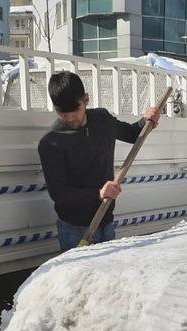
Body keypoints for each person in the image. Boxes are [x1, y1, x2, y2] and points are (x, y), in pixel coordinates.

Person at [38, 71, 161, 251]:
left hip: (107, 222)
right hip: (75, 230)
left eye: (75, 111)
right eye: (63, 113)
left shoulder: (102, 119)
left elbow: (132, 134)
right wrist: (98, 193)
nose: (70, 118)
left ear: (86, 100)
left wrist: (147, 121)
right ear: (55, 108)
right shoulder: (51, 142)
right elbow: (59, 194)